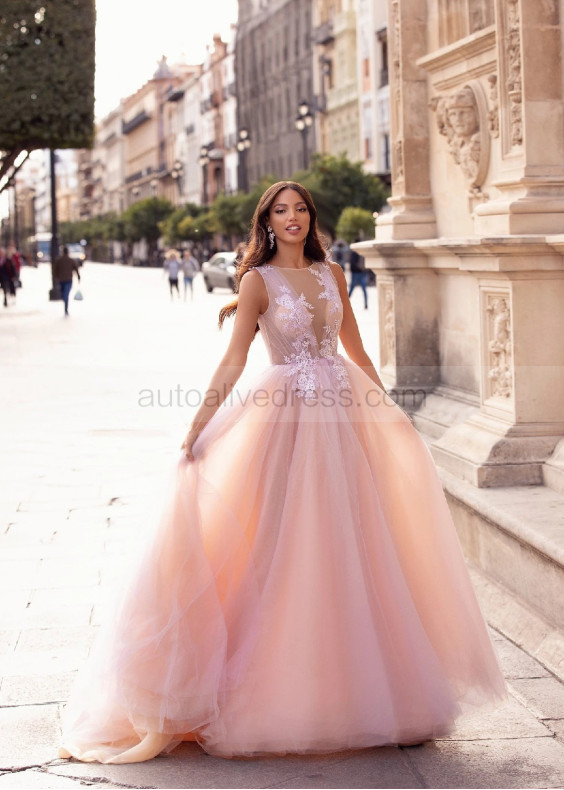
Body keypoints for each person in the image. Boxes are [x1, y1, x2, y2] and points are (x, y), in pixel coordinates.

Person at [59, 181, 505, 765]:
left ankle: (375, 694)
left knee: (355, 542)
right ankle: (269, 686)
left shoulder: (333, 275)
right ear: (266, 221)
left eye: (299, 209)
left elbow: (357, 354)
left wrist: (391, 410)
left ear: (310, 218)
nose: (291, 218)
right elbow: (235, 358)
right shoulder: (256, 281)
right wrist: (198, 425)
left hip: (342, 420)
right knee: (282, 542)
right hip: (285, 422)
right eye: (279, 210)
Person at [53, 246, 81, 316]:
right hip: (68, 279)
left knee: (64, 293)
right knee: (66, 294)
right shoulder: (70, 260)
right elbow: (76, 269)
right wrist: (78, 277)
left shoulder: (59, 260)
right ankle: (66, 305)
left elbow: (55, 270)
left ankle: (65, 306)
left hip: (61, 279)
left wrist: (56, 277)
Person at [348, 240, 369, 309]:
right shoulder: (362, 253)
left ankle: (346, 303)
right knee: (363, 289)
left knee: (352, 288)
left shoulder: (354, 253)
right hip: (361, 272)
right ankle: (366, 303)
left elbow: (352, 264)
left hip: (356, 273)